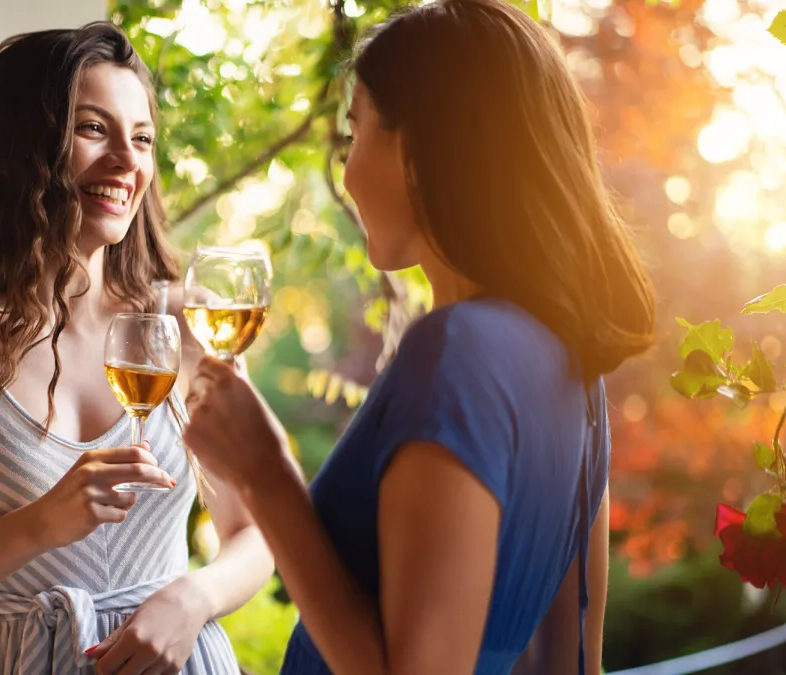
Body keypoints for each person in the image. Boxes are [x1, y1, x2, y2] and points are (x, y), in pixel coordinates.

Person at [180, 1, 656, 673]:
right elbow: (576, 662)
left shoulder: (456, 351)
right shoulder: (573, 368)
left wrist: (264, 474)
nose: (345, 173)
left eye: (356, 132)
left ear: (422, 148)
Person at [0, 22, 273, 675]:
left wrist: (192, 598)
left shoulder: (181, 322)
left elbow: (259, 529)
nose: (128, 160)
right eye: (94, 129)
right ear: (19, 146)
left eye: (143, 138)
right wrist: (40, 523)